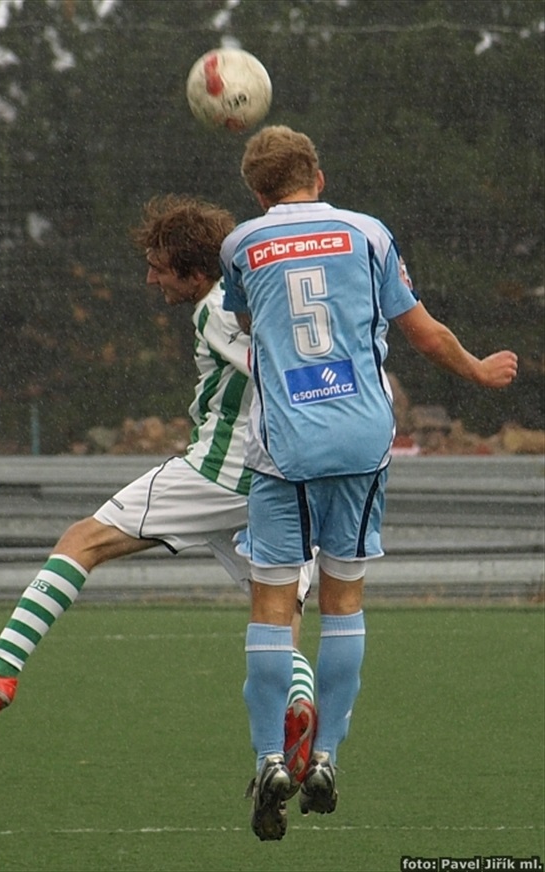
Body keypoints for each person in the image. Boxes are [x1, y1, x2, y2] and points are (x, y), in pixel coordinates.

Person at [0, 193, 317, 786]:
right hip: (283, 480)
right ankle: (298, 708)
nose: (150, 278)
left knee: (83, 541)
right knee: (275, 616)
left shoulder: (217, 307)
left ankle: (1, 666)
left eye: (159, 266)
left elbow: (272, 371)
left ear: (194, 269)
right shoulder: (264, 298)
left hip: (219, 470)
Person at [219, 125, 519, 841]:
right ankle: (324, 756)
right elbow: (420, 333)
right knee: (343, 596)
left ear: (257, 192)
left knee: (271, 604)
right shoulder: (369, 235)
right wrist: (477, 369)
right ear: (317, 177)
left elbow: (244, 317)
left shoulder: (241, 244)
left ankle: (268, 758)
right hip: (359, 437)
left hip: (284, 445)